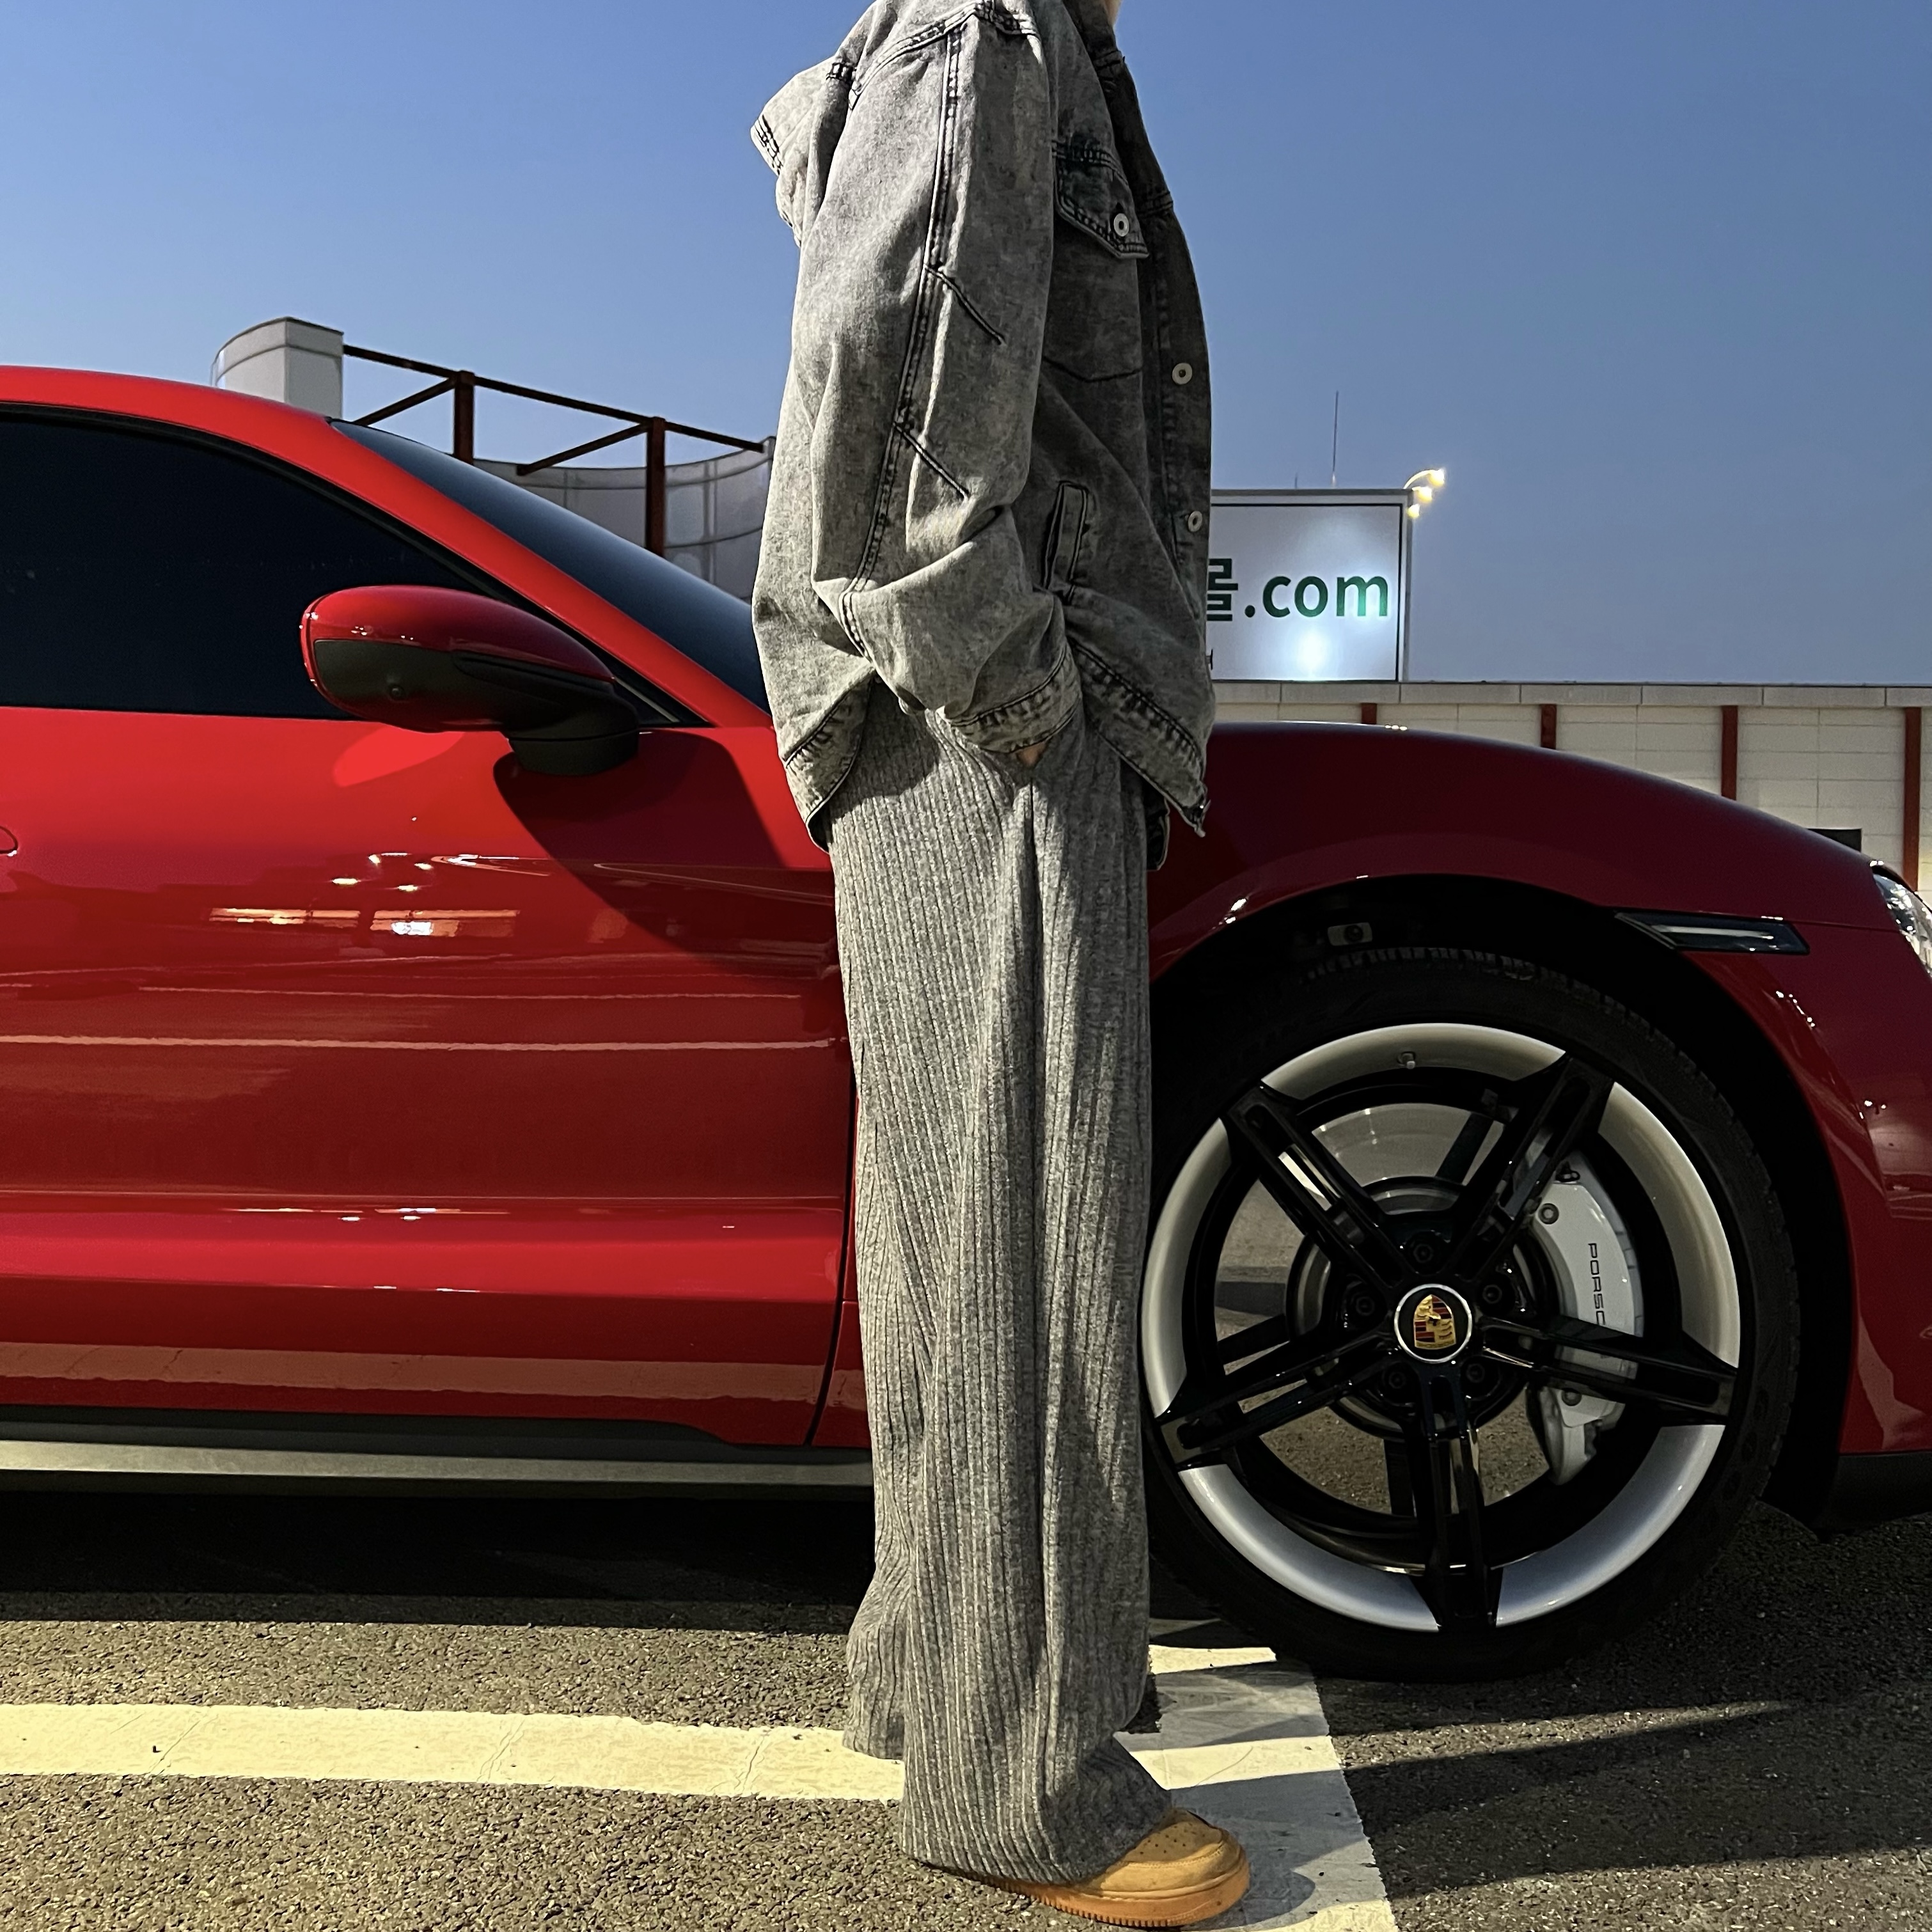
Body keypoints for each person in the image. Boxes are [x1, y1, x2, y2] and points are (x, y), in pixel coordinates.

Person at [751, 1, 1245, 1922]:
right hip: (988, 734)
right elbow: (880, 376)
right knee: (1027, 1250)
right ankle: (1023, 1781)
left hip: (959, 732)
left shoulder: (997, 33)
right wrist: (1026, 692)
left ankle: (934, 1678)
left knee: (960, 1245)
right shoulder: (992, 21)